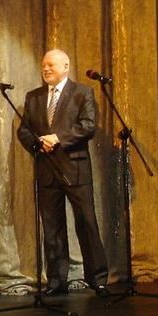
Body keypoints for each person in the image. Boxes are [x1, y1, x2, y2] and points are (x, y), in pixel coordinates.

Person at [17, 49, 109, 297]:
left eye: (51, 65)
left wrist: (58, 138)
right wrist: (38, 143)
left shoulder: (82, 93)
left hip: (75, 169)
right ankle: (57, 280)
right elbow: (24, 131)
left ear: (65, 66)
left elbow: (88, 126)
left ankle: (98, 278)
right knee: (52, 227)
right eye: (43, 65)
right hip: (47, 170)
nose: (46, 69)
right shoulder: (33, 97)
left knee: (86, 222)